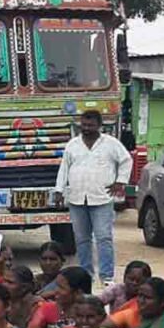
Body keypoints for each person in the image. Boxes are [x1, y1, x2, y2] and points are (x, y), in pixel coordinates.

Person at [55, 110, 132, 285]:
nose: (86, 128)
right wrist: (59, 190)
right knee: (81, 239)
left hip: (101, 198)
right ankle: (86, 273)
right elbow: (64, 168)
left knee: (103, 237)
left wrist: (120, 182)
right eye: (84, 125)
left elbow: (126, 160)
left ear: (99, 126)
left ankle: (107, 276)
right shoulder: (72, 145)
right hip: (76, 199)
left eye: (90, 125)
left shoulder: (111, 144)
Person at [26, 266, 92, 328]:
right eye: (56, 286)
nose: (55, 291)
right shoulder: (47, 309)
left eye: (61, 288)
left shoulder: (93, 314)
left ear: (78, 293)